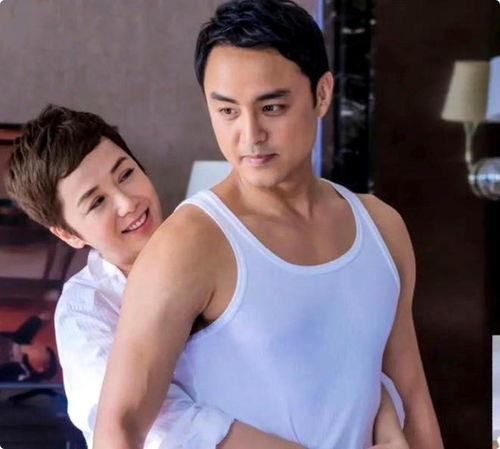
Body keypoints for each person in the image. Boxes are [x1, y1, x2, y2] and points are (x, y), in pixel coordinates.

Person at [92, 0, 443, 448]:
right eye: (227, 111)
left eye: (272, 107)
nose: (250, 135)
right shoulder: (189, 244)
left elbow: (412, 398)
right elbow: (118, 425)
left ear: (322, 94)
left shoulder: (382, 228)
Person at [5, 104, 404, 449]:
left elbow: (323, 341)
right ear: (68, 234)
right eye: (96, 202)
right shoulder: (87, 310)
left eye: (125, 174)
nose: (127, 203)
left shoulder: (217, 239)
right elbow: (165, 428)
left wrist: (384, 418)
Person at [0, 313, 57, 382]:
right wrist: (38, 320)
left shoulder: (19, 374)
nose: (37, 346)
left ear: (40, 368)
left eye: (40, 351)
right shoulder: (19, 343)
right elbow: (24, 334)